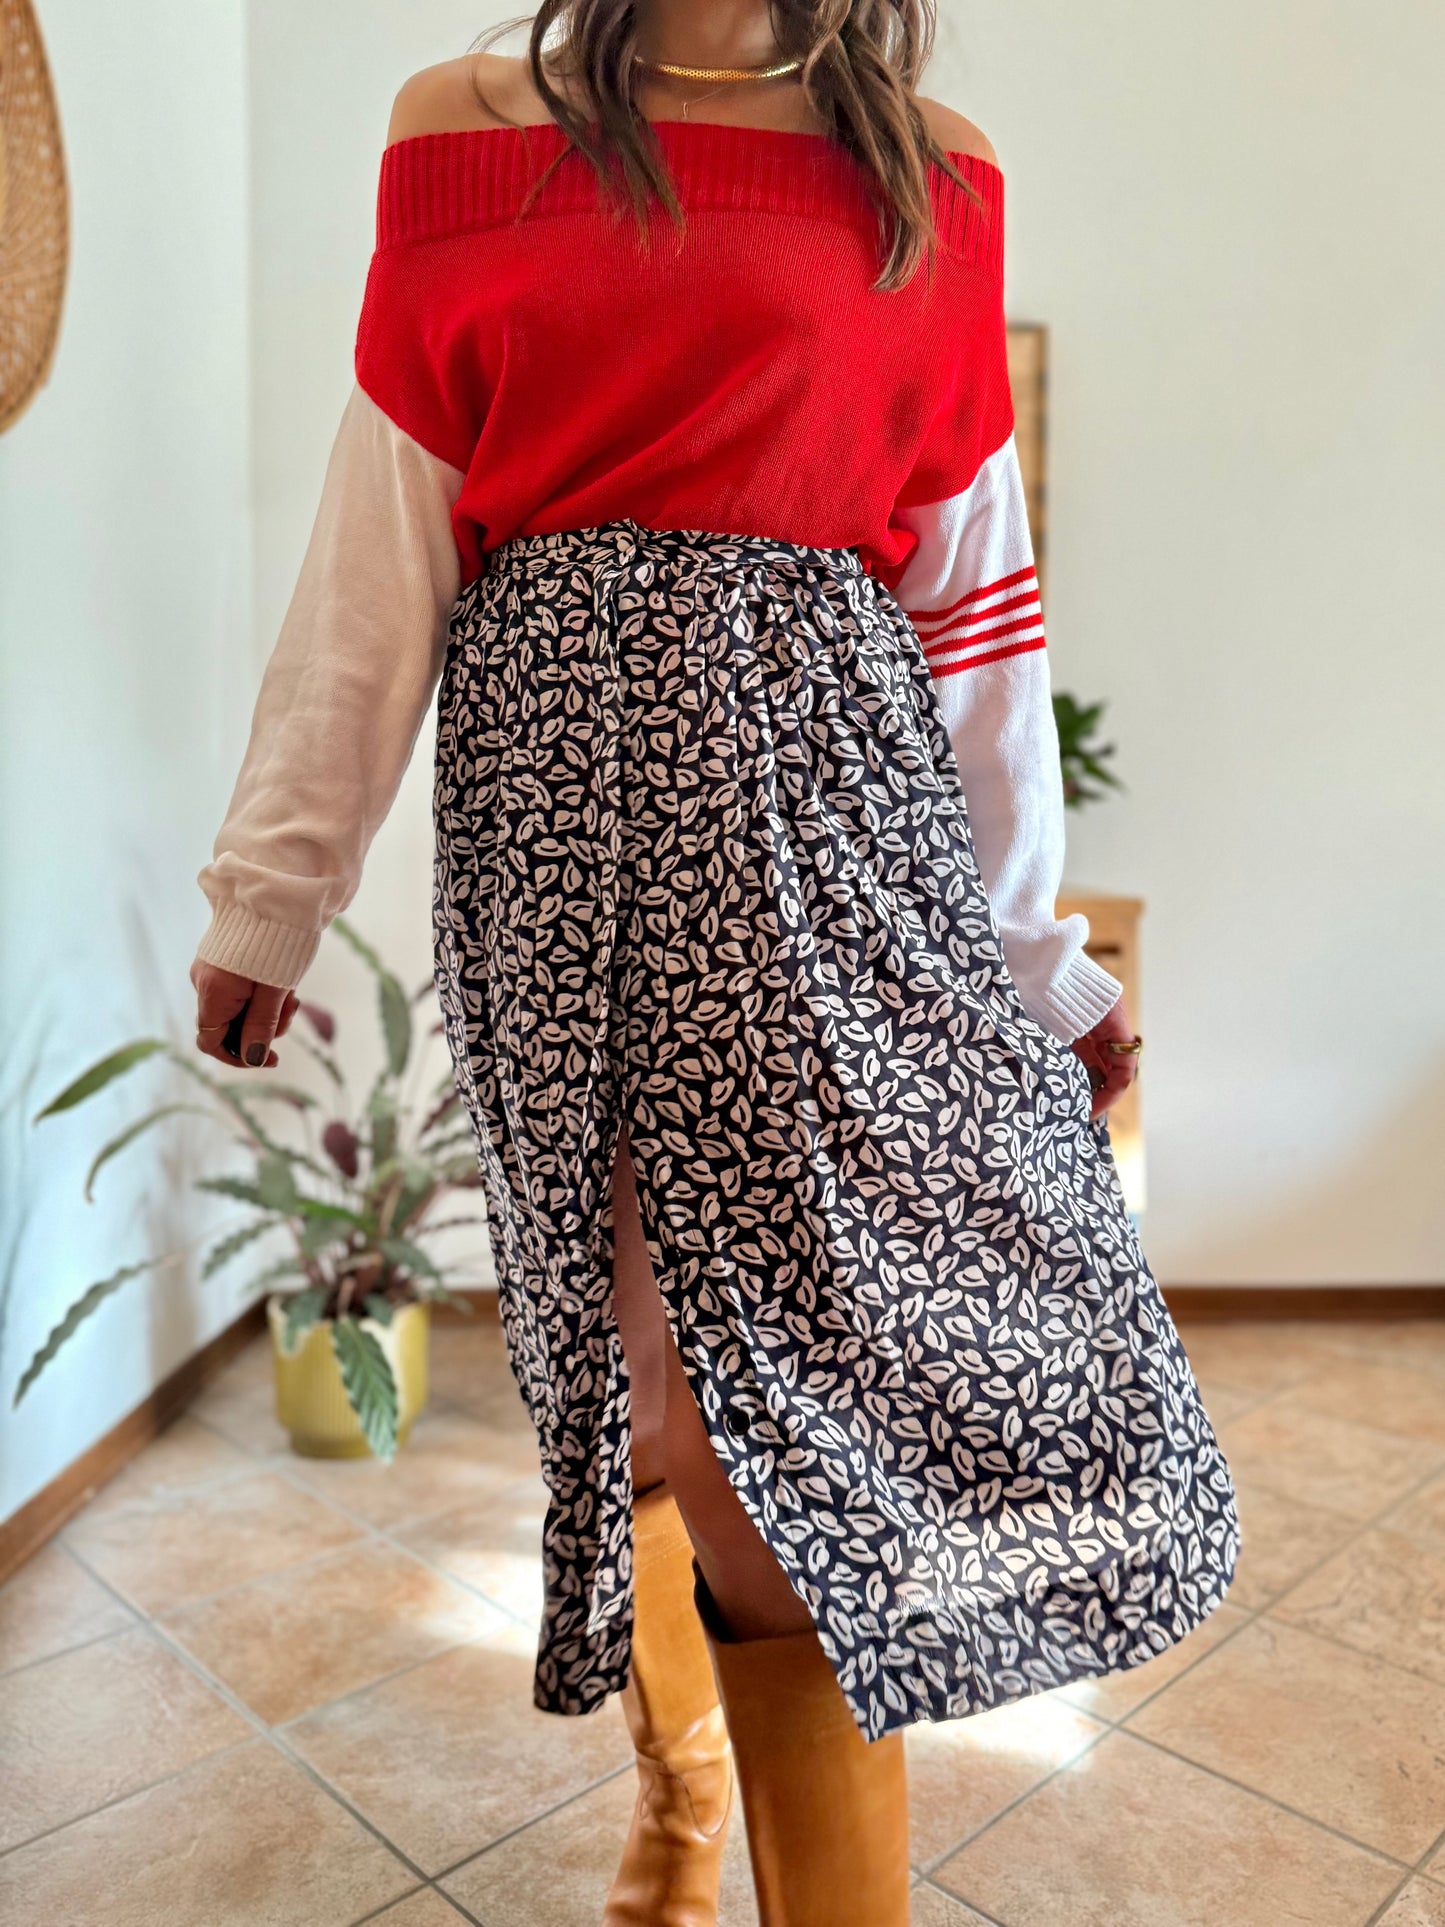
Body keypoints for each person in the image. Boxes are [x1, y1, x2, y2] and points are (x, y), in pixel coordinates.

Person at [191, 5, 1241, 1921]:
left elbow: (976, 601)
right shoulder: (461, 127)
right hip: (548, 827)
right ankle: (684, 1799)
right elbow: (380, 544)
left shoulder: (930, 164)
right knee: (631, 1375)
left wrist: (1034, 957)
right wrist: (280, 878)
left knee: (787, 1394)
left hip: (828, 831)